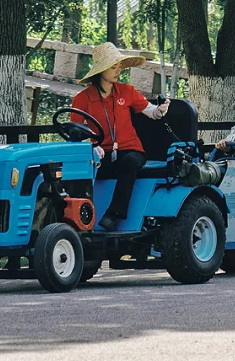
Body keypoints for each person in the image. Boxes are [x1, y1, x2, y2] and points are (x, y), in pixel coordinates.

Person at [71, 42, 171, 231]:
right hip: (102, 155)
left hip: (131, 151)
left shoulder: (127, 91)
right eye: (113, 67)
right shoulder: (82, 98)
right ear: (101, 71)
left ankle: (114, 214)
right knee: (77, 168)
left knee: (131, 161)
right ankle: (78, 219)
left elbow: (152, 112)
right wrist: (91, 147)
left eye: (119, 66)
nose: (118, 71)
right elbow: (75, 132)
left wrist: (161, 109)